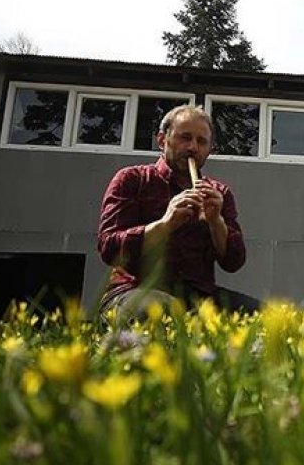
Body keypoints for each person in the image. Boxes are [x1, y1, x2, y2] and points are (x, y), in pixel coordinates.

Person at [97, 105, 259, 321]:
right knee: (163, 310)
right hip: (135, 289)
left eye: (201, 141)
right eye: (185, 138)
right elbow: (109, 248)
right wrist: (166, 224)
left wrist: (216, 222)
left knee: (268, 318)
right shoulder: (132, 180)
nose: (193, 147)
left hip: (200, 295)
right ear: (162, 140)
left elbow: (234, 261)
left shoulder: (219, 193)